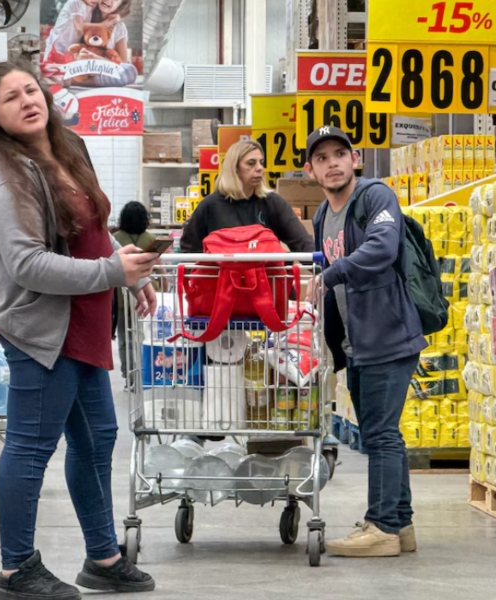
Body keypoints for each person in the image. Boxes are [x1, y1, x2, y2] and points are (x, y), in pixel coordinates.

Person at [0, 61, 158, 599]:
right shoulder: (6, 175)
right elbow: (27, 264)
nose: (27, 101)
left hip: (84, 320)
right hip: (41, 328)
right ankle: (15, 571)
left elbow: (92, 229)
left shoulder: (70, 148)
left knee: (97, 439)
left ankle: (103, 557)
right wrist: (111, 273)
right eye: (11, 98)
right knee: (30, 446)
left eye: (31, 90)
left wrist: (130, 273)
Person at [304, 125, 427, 558]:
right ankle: (401, 524)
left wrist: (332, 273)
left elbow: (382, 247)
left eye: (340, 154)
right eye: (322, 158)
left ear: (355, 159)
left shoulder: (375, 197)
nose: (332, 163)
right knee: (382, 434)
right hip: (358, 344)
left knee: (380, 435)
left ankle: (382, 527)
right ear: (310, 170)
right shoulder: (322, 216)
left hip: (389, 335)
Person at [180, 139, 315, 253]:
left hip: (266, 276)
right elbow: (189, 250)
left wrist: (324, 268)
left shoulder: (273, 203)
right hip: (222, 277)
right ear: (235, 168)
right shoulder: (209, 207)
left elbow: (302, 243)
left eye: (261, 162)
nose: (259, 168)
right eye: (251, 163)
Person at [113, 201, 156, 388]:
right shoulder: (151, 239)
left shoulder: (116, 238)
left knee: (125, 338)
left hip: (122, 295)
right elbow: (160, 268)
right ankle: (145, 373)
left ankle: (129, 375)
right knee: (146, 336)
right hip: (147, 292)